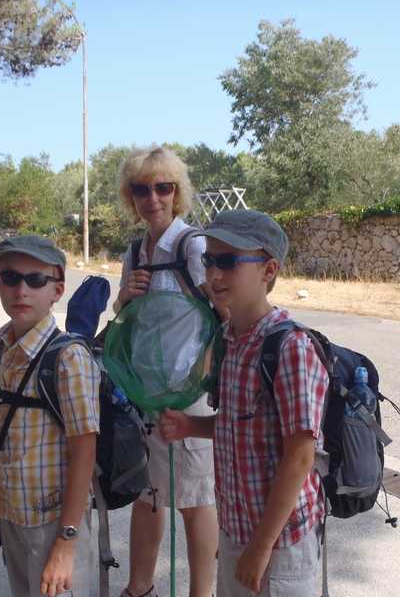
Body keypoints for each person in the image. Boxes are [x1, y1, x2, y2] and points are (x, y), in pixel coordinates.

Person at [159, 210, 328, 597]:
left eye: (229, 261)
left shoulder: (290, 348)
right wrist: (192, 426)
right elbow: (241, 426)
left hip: (280, 543)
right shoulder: (230, 338)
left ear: (268, 270)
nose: (214, 275)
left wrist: (261, 546)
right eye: (209, 260)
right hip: (237, 531)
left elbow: (300, 456)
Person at [0, 235, 99, 597]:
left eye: (35, 280)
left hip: (54, 522)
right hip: (9, 517)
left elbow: (85, 450)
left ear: (57, 290)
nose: (21, 290)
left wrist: (66, 541)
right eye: (10, 278)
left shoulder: (69, 359)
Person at [115, 146, 219, 597]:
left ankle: (201, 593)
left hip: (189, 396)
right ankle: (139, 588)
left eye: (163, 187)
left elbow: (222, 311)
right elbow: (123, 320)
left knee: (195, 499)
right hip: (145, 395)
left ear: (177, 193)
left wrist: (203, 378)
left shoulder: (193, 246)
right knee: (149, 496)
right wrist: (124, 299)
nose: (152, 197)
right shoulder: (134, 252)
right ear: (131, 196)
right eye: (141, 189)